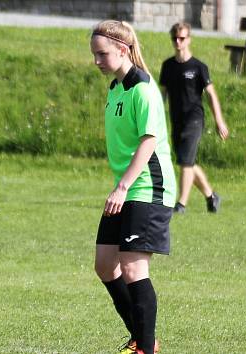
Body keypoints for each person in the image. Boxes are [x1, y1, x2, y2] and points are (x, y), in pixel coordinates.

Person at [90, 20, 177, 354]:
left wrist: (123, 186)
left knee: (132, 267)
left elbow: (149, 140)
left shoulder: (143, 88)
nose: (97, 61)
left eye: (102, 54)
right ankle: (143, 337)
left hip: (147, 188)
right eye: (94, 54)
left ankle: (144, 347)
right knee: (104, 264)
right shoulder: (116, 87)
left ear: (122, 49)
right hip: (126, 186)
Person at [159, 22, 229, 214]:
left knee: (185, 162)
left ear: (189, 39)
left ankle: (181, 204)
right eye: (175, 38)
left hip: (194, 120)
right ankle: (211, 196)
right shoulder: (168, 66)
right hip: (176, 120)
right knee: (186, 161)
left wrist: (219, 121)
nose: (178, 42)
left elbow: (211, 95)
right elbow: (162, 95)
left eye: (182, 38)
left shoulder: (198, 67)